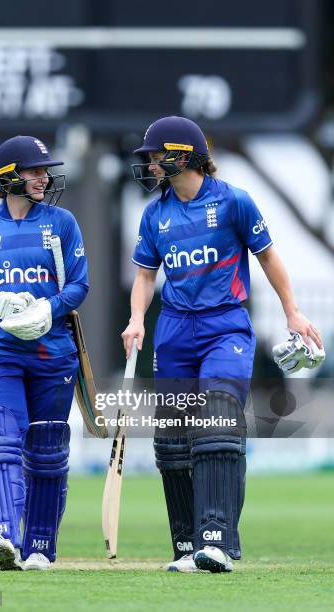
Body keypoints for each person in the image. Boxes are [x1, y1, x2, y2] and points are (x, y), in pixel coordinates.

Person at [121, 116, 323, 573]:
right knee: (172, 439)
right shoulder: (155, 214)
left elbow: (268, 256)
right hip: (173, 329)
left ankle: (216, 539)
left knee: (217, 417)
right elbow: (145, 276)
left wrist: (292, 311)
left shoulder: (234, 202)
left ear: (181, 155)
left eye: (156, 157)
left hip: (224, 325)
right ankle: (187, 545)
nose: (150, 165)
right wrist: (136, 319)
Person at [0, 135, 89, 571]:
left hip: (52, 354)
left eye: (45, 170)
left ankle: (40, 546)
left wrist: (49, 307)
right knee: (0, 436)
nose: (44, 177)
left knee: (46, 449)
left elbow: (79, 285)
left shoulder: (62, 223)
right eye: (34, 171)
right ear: (9, 177)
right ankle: (3, 535)